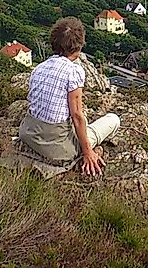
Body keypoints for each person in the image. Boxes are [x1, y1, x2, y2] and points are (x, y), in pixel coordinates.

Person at [19, 17, 120, 176]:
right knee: (113, 120)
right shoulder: (74, 71)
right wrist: (88, 152)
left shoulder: (38, 68)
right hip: (55, 147)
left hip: (27, 134)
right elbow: (77, 115)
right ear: (79, 45)